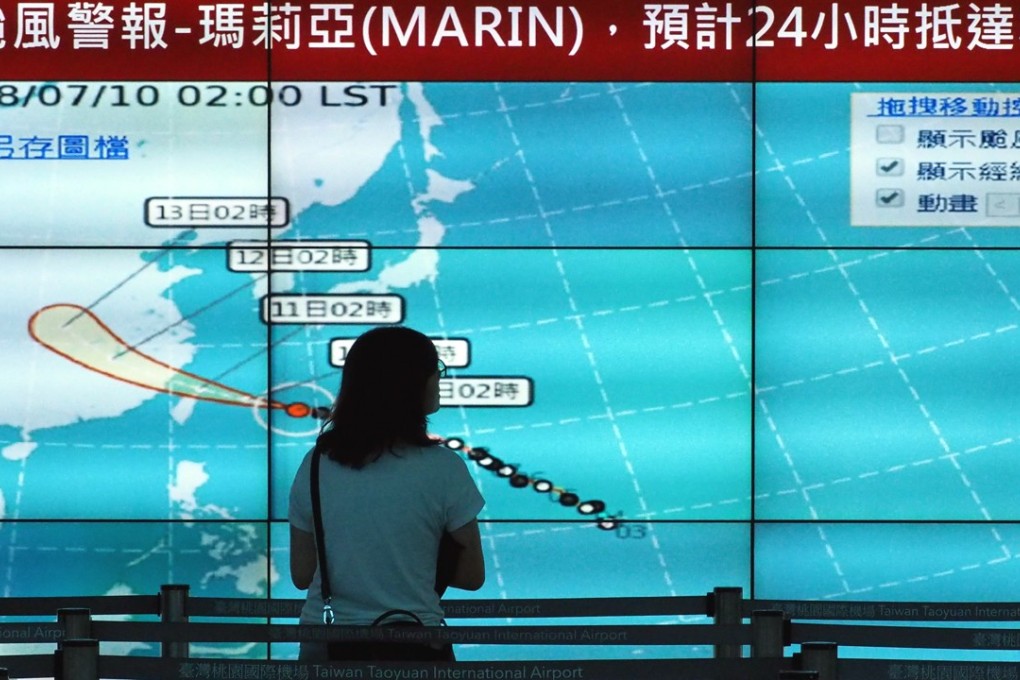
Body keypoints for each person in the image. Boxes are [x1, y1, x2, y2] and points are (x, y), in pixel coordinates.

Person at [288, 326, 485, 661]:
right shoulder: (443, 467)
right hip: (416, 642)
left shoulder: (317, 463)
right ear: (411, 383)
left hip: (327, 643)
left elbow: (302, 573)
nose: (439, 381)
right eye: (435, 372)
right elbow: (471, 575)